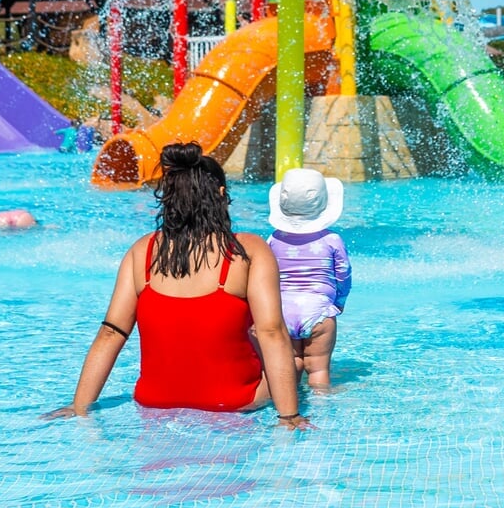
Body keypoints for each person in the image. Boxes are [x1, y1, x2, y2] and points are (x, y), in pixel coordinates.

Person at [43, 142, 308, 427]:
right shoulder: (249, 250)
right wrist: (289, 416)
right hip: (235, 400)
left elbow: (111, 333)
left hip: (153, 400)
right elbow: (272, 332)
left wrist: (79, 406)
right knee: (295, 364)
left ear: (168, 199)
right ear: (221, 194)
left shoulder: (142, 252)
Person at [267, 167, 351, 391]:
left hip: (283, 311)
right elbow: (343, 274)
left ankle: (291, 401)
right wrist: (339, 302)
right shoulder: (332, 240)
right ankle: (323, 406)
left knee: (292, 362)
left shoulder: (273, 239)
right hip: (320, 312)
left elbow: (264, 275)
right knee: (318, 369)